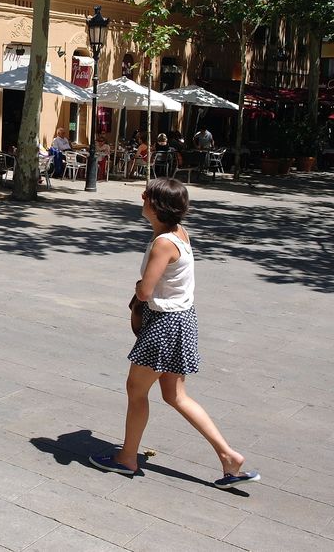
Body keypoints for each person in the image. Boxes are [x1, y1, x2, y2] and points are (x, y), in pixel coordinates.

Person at [91, 179, 260, 490]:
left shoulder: (163, 243)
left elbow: (145, 291)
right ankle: (228, 457)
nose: (142, 199)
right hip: (182, 321)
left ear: (156, 207)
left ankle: (127, 459)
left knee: (136, 390)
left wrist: (139, 289)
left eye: (147, 196)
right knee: (174, 394)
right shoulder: (179, 234)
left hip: (164, 325)